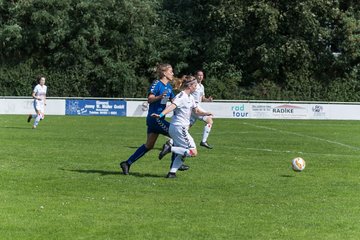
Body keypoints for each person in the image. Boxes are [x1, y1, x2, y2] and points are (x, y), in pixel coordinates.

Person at [119, 63, 176, 175]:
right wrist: (160, 97)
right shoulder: (157, 84)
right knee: (178, 137)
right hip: (155, 119)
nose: (173, 73)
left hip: (157, 120)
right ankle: (173, 169)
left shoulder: (169, 87)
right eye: (171, 71)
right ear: (164, 73)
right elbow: (150, 99)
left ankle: (127, 163)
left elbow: (175, 102)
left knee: (149, 146)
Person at [152, 76, 213, 178]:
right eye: (195, 86)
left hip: (178, 128)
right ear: (189, 86)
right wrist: (161, 115)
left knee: (183, 152)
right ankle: (169, 148)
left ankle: (172, 173)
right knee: (193, 152)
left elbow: (196, 111)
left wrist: (207, 113)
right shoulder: (182, 96)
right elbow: (172, 106)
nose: (196, 88)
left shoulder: (191, 97)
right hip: (179, 127)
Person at [190, 70, 214, 149]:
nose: (200, 77)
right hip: (194, 107)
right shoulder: (194, 85)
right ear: (196, 76)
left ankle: (171, 142)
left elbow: (203, 98)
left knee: (186, 128)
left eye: (202, 75)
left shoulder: (201, 86)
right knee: (209, 120)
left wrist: (208, 100)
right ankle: (203, 141)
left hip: (196, 107)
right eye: (199, 75)